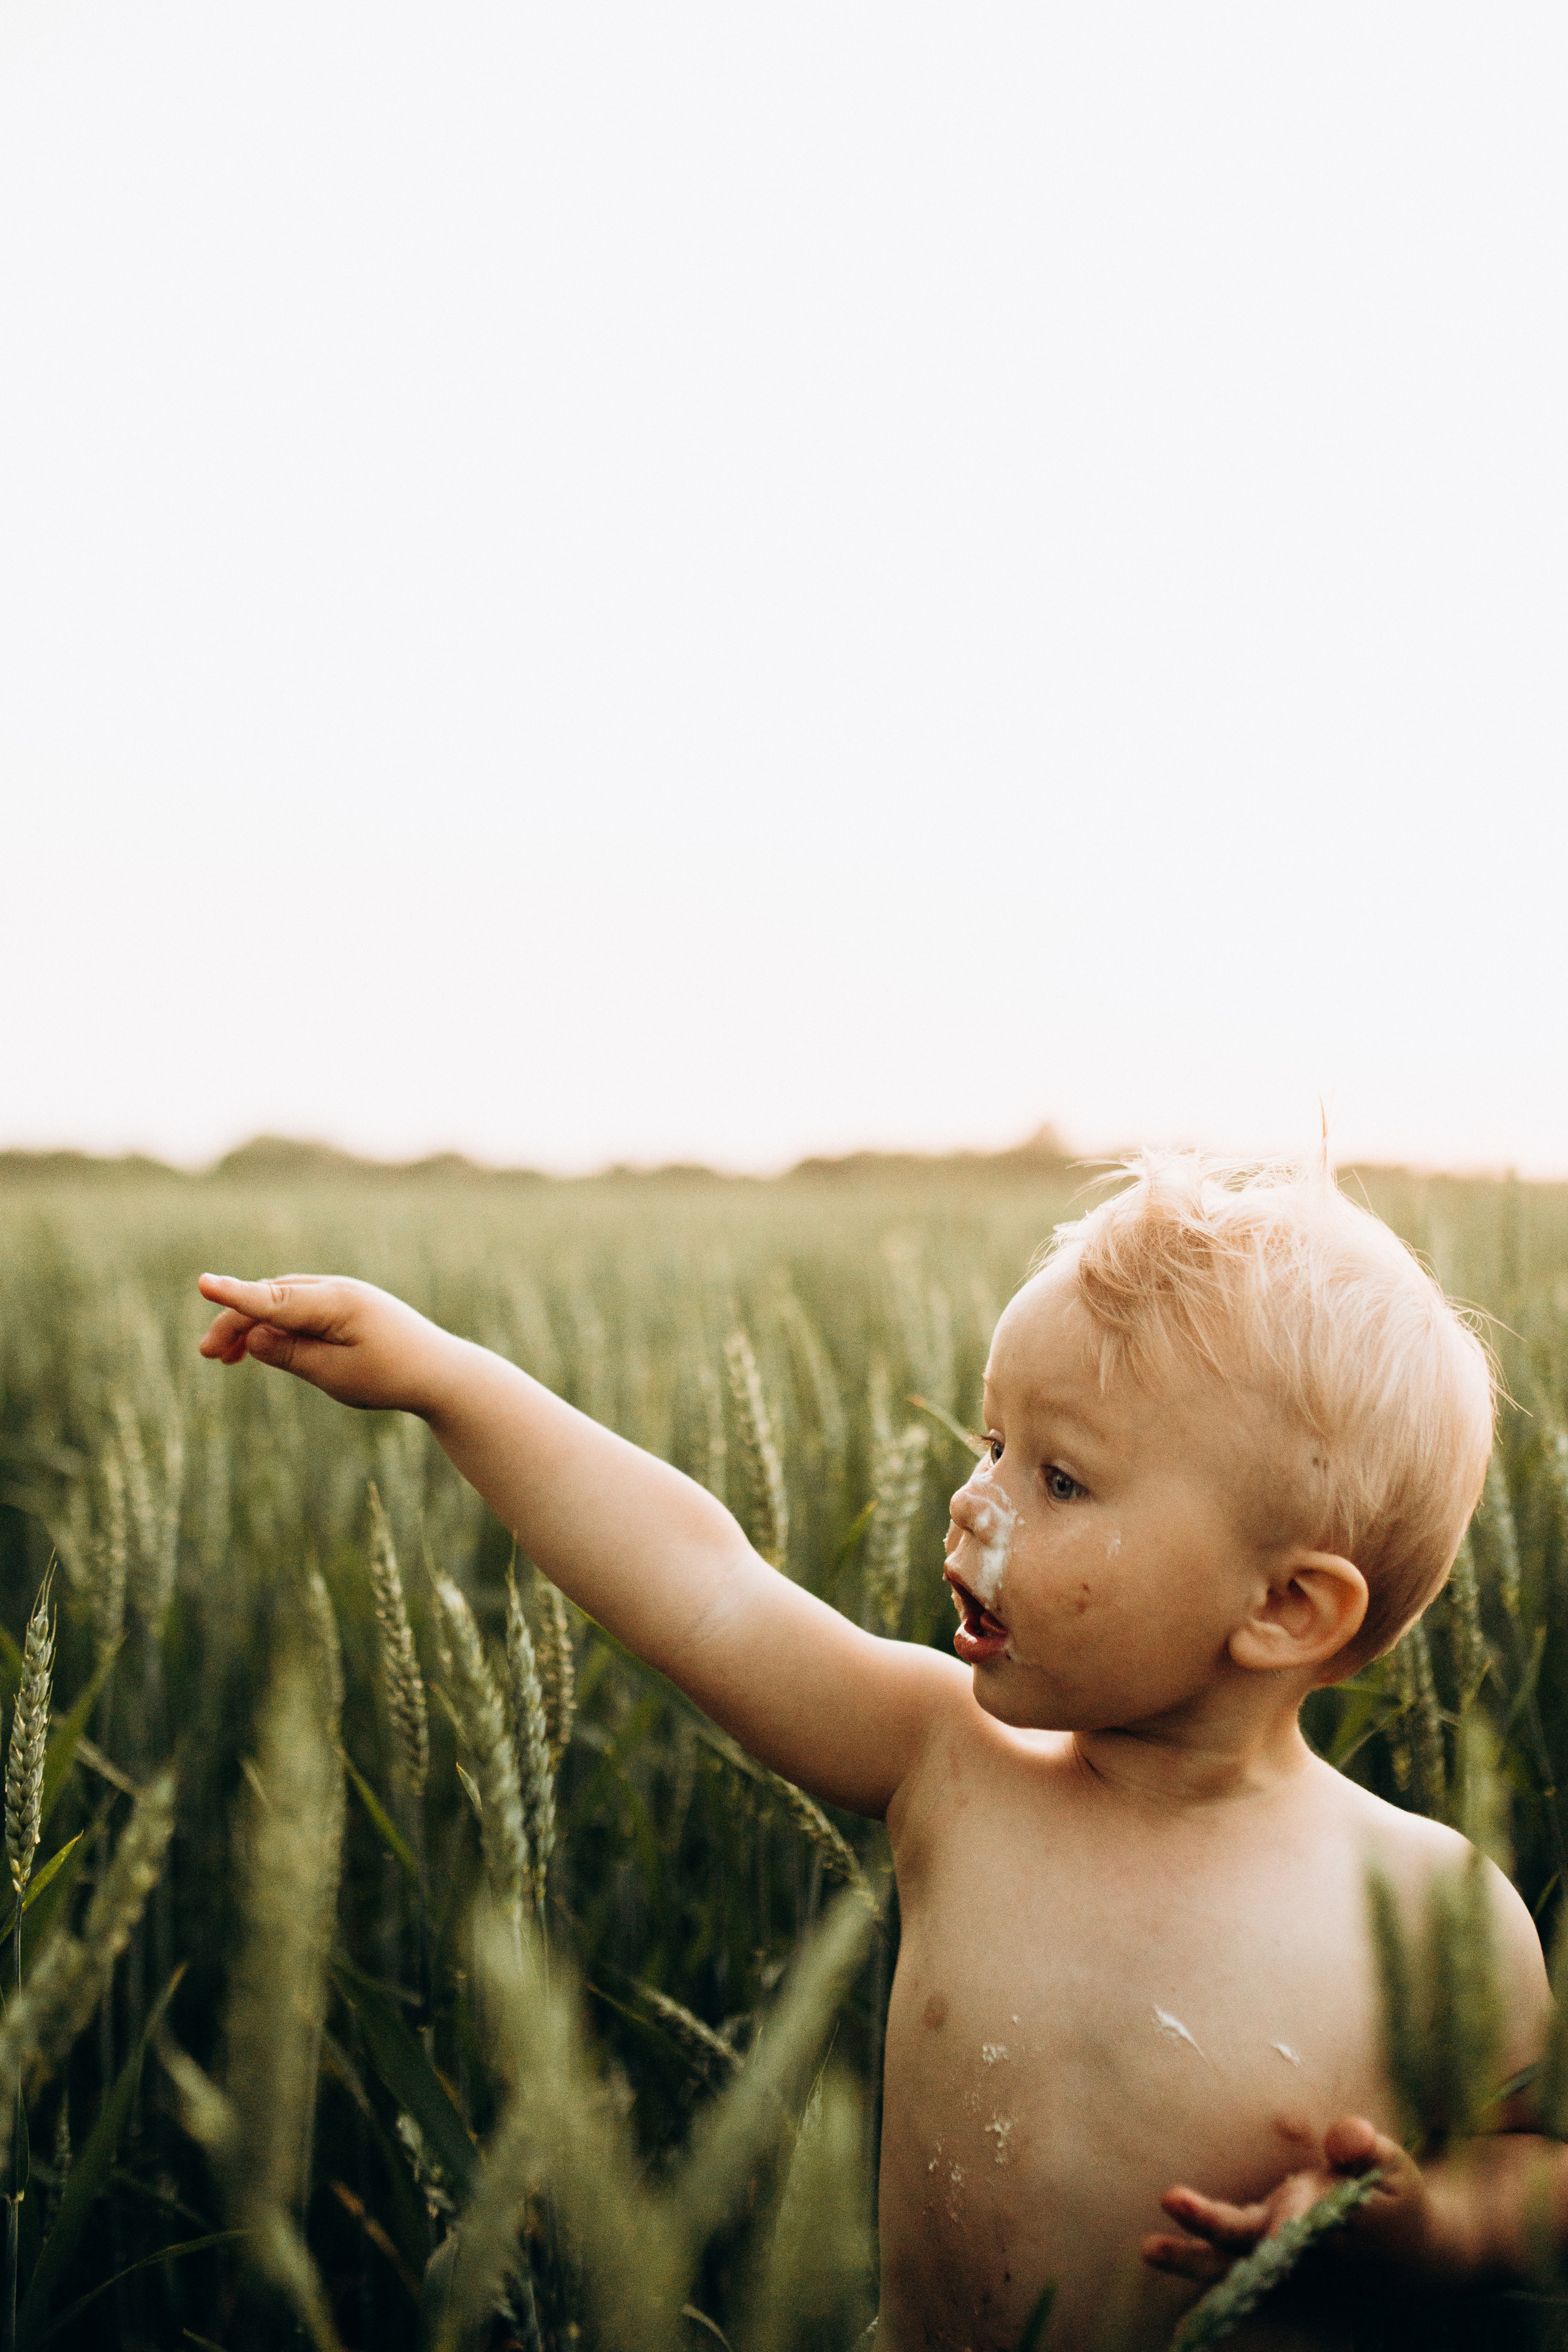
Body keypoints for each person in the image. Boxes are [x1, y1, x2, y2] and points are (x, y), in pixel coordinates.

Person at [195, 1152, 1554, 2351]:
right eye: (990, 1442)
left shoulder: (1429, 1910)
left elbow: (1532, 2172)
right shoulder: (948, 1762)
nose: (973, 1502)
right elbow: (709, 1590)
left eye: (1058, 1478)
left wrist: (1429, 2227)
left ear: (1281, 1608)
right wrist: (445, 1377)